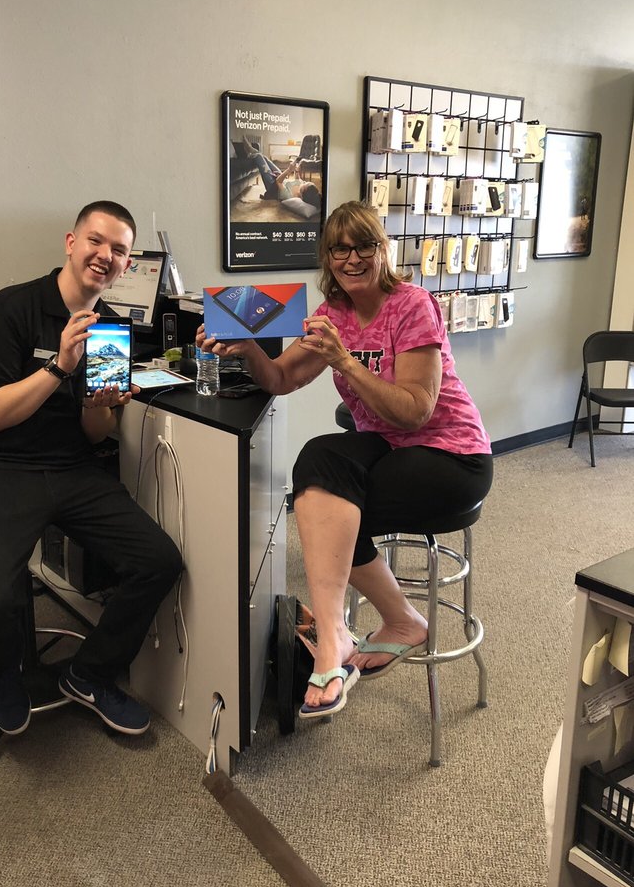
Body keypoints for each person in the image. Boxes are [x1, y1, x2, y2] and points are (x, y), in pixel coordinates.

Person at [197, 201, 493, 721]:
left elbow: (415, 412)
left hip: (452, 456)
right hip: (390, 448)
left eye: (364, 246)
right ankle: (391, 623)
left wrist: (345, 362)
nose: (351, 259)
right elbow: (283, 378)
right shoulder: (332, 314)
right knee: (319, 461)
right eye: (339, 249)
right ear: (327, 257)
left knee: (329, 511)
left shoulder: (412, 305)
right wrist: (248, 350)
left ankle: (336, 641)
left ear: (383, 250)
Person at [0, 201, 182, 737]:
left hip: (67, 466)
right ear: (71, 243)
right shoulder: (8, 311)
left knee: (158, 561)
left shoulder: (108, 329)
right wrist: (60, 366)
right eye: (96, 241)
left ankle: (90, 675)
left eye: (119, 250)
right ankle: (5, 671)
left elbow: (93, 433)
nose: (106, 255)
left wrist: (98, 406)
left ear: (127, 263)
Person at [242, 138, 322, 210]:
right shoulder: (301, 185)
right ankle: (251, 150)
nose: (303, 182)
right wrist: (296, 170)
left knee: (258, 157)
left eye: (305, 183)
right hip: (281, 178)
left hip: (273, 185)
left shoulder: (288, 196)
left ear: (303, 190)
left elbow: (278, 182)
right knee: (265, 158)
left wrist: (289, 170)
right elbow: (298, 180)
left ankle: (250, 154)